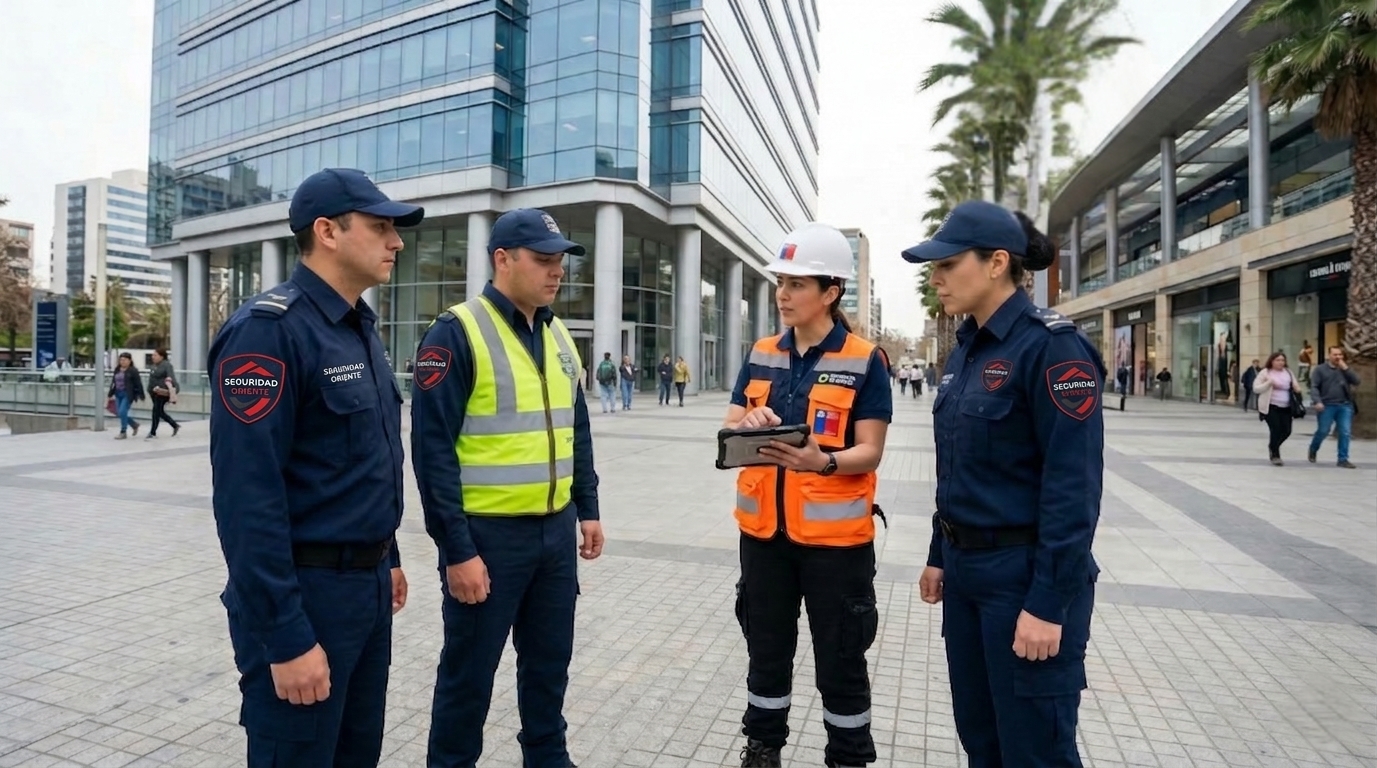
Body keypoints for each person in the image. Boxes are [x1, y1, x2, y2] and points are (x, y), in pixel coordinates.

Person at [208, 168, 419, 767]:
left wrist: (390, 554)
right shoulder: (267, 333)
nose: (395, 241)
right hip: (306, 597)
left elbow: (362, 462)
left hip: (367, 592)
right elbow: (249, 501)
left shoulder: (359, 328)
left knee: (357, 755)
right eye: (380, 227)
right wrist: (286, 635)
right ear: (328, 231)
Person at [902, 200, 1104, 767]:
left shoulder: (1052, 348)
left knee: (1035, 751)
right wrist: (940, 553)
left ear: (996, 263)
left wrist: (1047, 603)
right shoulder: (967, 348)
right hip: (967, 578)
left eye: (947, 264)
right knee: (983, 741)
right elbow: (958, 466)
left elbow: (1074, 488)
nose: (936, 277)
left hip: (1023, 578)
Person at [411, 207, 605, 768]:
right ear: (502, 259)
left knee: (549, 667)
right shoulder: (456, 332)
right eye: (543, 261)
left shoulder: (558, 333)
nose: (556, 273)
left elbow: (577, 429)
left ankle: (548, 758)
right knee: (468, 676)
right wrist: (457, 549)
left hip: (553, 535)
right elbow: (432, 454)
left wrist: (587, 508)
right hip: (488, 541)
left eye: (560, 262)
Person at [726, 223, 892, 768]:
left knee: (840, 659)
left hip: (837, 545)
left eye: (797, 284)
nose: (783, 294)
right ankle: (763, 747)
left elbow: (870, 450)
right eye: (781, 282)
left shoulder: (865, 361)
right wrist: (749, 420)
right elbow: (729, 428)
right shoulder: (761, 352)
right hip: (764, 539)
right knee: (766, 653)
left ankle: (847, 757)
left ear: (830, 292)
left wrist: (823, 460)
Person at [1306, 345, 1360, 469]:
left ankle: (1343, 459)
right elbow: (1314, 386)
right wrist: (1317, 401)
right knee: (1323, 431)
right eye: (1335, 354)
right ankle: (1313, 448)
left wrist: (1345, 369)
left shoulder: (1345, 369)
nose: (1338, 357)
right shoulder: (1320, 370)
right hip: (1326, 405)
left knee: (1345, 432)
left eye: (1340, 355)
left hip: (1345, 405)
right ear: (1329, 355)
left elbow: (1356, 381)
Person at [1252, 351, 1303, 465]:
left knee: (1286, 431)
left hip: (1286, 407)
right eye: (1278, 360)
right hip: (1271, 407)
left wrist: (1297, 389)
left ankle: (1273, 445)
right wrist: (1269, 383)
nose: (1281, 362)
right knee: (1275, 430)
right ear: (1272, 361)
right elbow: (1256, 388)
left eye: (1282, 360)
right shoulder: (1265, 372)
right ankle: (1275, 455)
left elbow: (1295, 384)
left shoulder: (1288, 372)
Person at [107, 352, 145, 439]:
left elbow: (138, 383)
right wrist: (110, 394)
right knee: (119, 413)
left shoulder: (133, 371)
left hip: (128, 394)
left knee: (122, 411)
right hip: (118, 393)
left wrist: (141, 395)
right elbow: (113, 383)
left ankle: (123, 432)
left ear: (129, 360)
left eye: (124, 360)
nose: (122, 362)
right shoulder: (117, 370)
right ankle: (134, 424)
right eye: (121, 360)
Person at [146, 348, 181, 438]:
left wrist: (173, 389)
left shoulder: (167, 365)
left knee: (155, 411)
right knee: (159, 411)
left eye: (155, 355)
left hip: (162, 392)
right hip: (154, 392)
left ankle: (152, 432)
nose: (153, 357)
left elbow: (171, 378)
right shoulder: (154, 366)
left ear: (161, 356)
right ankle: (174, 425)